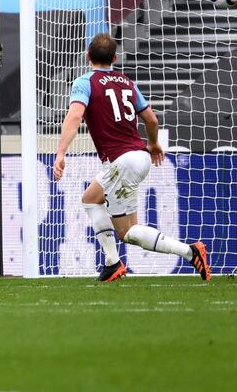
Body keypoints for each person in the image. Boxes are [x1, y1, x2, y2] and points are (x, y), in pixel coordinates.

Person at [53, 33, 211, 282]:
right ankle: (112, 263)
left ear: (87, 56)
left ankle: (190, 253)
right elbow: (151, 119)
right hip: (137, 156)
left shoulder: (84, 82)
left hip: (122, 162)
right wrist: (154, 143)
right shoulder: (127, 82)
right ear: (115, 58)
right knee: (91, 199)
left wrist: (61, 152)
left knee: (127, 232)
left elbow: (74, 116)